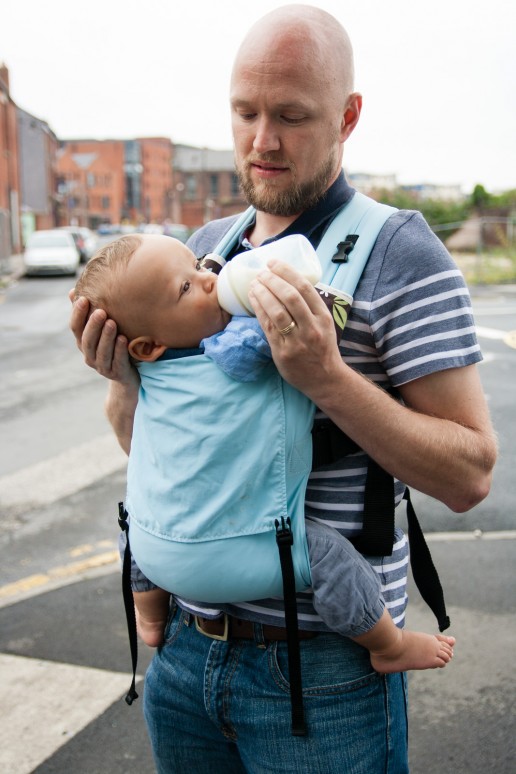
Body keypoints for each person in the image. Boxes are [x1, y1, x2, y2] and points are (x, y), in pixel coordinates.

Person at [70, 5, 497, 772]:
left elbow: (470, 474)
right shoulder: (202, 251)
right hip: (185, 655)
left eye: (292, 116)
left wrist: (326, 378)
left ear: (348, 116)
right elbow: (162, 448)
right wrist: (122, 383)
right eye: (245, 112)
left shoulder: (402, 253)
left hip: (324, 668)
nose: (261, 141)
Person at [74, 231, 455, 677]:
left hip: (161, 556)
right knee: (330, 558)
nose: (210, 279)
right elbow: (296, 323)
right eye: (186, 287)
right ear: (143, 348)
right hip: (254, 555)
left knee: (136, 521)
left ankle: (149, 614)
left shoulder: (154, 366)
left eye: (199, 268)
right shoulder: (241, 344)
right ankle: (386, 643)